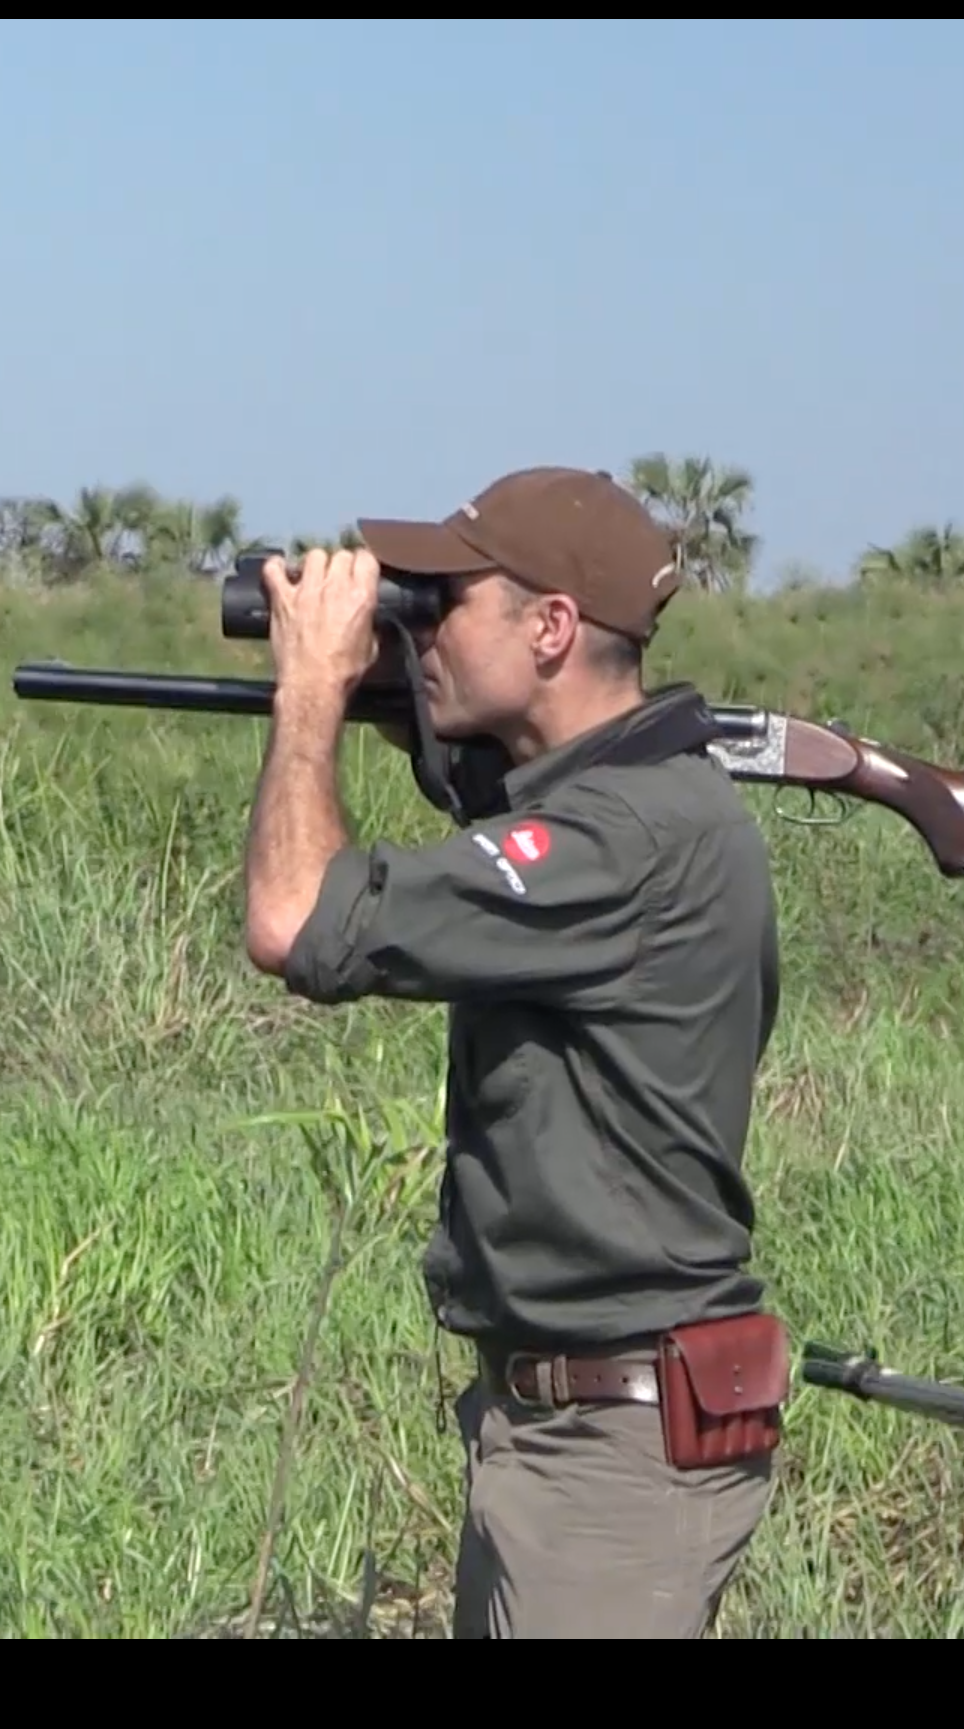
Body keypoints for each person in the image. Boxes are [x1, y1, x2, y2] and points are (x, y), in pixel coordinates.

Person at [239, 466, 788, 1639]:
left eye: (447, 605)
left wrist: (313, 695)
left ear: (550, 628)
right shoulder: (642, 807)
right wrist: (406, 706)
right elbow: (501, 822)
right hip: (577, 1423)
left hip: (609, 1450)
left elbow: (293, 918)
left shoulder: (626, 837)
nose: (419, 628)